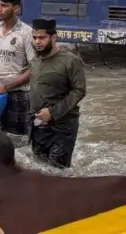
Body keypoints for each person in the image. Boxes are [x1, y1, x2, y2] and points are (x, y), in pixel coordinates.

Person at [30, 18, 86, 169]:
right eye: (34, 38)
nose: (37, 42)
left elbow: (79, 90)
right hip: (38, 125)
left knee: (57, 171)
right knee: (39, 168)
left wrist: (52, 112)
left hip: (62, 127)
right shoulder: (35, 60)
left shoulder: (70, 60)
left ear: (53, 37)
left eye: (42, 38)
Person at [0, 0, 35, 137]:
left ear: (16, 8)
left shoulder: (27, 33)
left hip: (18, 96)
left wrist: (6, 86)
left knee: (16, 141)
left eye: (4, 6)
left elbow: (35, 69)